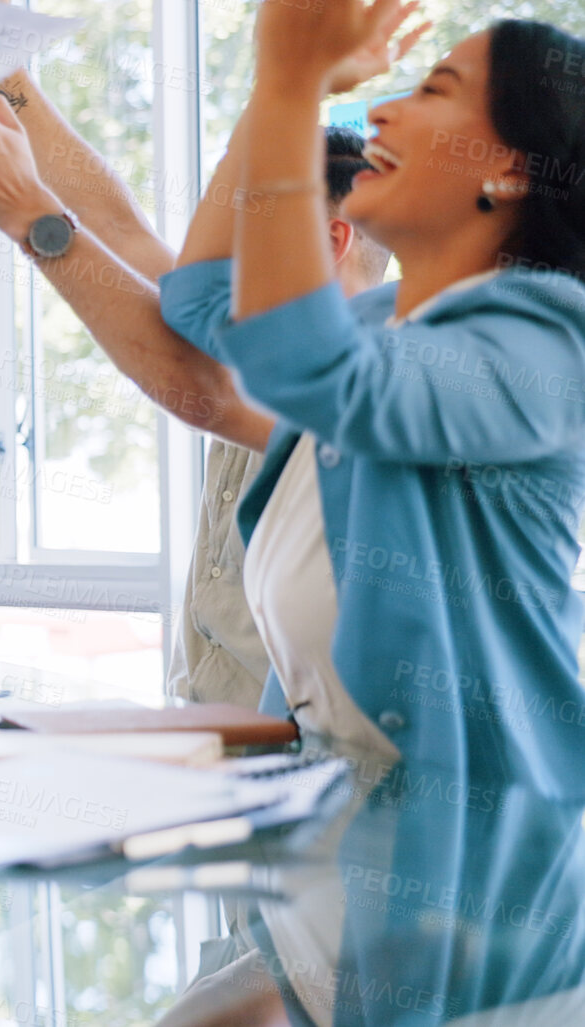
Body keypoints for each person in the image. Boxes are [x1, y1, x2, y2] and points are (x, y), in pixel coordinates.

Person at [0, 23, 413, 709]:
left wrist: (28, 215)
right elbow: (119, 230)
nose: (201, 254)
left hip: (301, 772)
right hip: (213, 746)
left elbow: (195, 390)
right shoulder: (239, 334)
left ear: (326, 237)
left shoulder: (373, 379)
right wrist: (5, 79)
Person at [161, 7, 585, 782]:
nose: (383, 108)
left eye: (434, 91)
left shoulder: (549, 345)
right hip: (322, 841)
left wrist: (293, 83)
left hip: (466, 876)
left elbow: (312, 368)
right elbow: (198, 298)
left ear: (512, 168)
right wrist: (275, 90)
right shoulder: (375, 325)